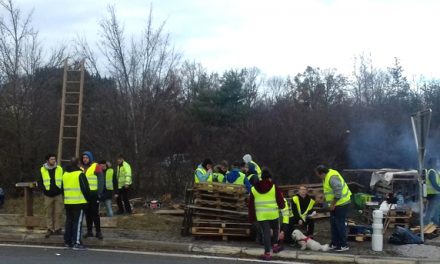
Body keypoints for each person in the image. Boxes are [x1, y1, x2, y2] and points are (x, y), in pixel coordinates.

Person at [248, 168, 285, 261]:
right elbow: (280, 200)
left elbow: (250, 205)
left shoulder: (253, 189)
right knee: (276, 228)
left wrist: (252, 217)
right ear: (269, 178)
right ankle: (275, 246)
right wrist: (282, 206)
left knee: (266, 233)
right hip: (273, 214)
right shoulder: (274, 186)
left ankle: (267, 253)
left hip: (261, 215)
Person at [315, 165, 352, 252]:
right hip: (337, 203)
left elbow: (338, 192)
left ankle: (343, 245)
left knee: (339, 224)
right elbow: (330, 191)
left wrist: (332, 205)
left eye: (317, 174)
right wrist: (324, 197)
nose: (317, 176)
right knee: (333, 224)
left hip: (342, 203)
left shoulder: (332, 177)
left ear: (322, 173)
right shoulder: (326, 177)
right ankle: (334, 243)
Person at [62, 157, 90, 250]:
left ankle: (68, 241)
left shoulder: (65, 174)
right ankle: (77, 242)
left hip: (68, 201)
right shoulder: (80, 174)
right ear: (78, 164)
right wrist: (88, 200)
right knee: (77, 223)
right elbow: (85, 188)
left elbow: (62, 189)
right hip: (79, 201)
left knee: (69, 222)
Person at [38, 154, 64, 238]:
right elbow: (40, 181)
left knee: (58, 212)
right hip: (48, 194)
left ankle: (57, 229)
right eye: (52, 159)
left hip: (58, 194)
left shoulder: (59, 168)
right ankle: (50, 229)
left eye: (54, 159)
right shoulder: (42, 169)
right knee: (48, 212)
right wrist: (44, 189)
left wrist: (62, 190)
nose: (53, 161)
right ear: (47, 160)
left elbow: (63, 179)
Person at [81, 151, 104, 239]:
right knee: (87, 213)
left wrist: (99, 192)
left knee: (95, 213)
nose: (85, 159)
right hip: (86, 194)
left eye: (86, 157)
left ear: (90, 158)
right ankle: (89, 231)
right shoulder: (81, 167)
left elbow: (101, 180)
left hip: (94, 193)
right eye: (83, 158)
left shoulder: (96, 166)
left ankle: (98, 232)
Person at [424, 158, 440, 225]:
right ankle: (425, 223)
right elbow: (434, 184)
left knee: (436, 210)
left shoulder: (436, 171)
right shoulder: (432, 171)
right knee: (430, 210)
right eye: (436, 162)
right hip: (432, 194)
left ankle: (436, 223)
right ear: (432, 163)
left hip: (436, 194)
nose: (437, 164)